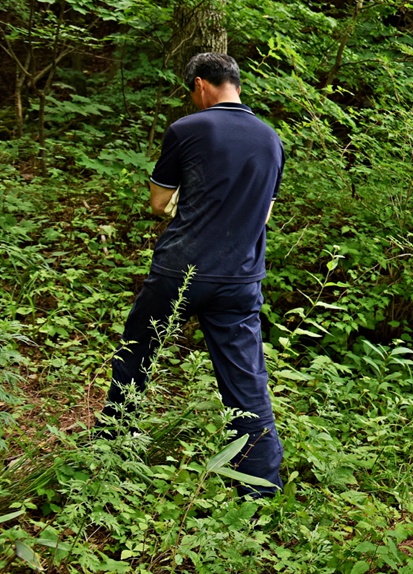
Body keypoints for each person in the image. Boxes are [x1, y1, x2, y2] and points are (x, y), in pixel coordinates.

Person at [99, 53, 285, 497]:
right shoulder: (272, 139)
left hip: (180, 270)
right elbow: (262, 216)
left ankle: (109, 455)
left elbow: (159, 204)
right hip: (240, 278)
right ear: (236, 84)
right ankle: (260, 490)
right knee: (246, 383)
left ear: (201, 85)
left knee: (136, 356)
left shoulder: (188, 128)